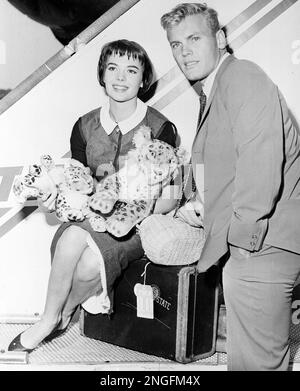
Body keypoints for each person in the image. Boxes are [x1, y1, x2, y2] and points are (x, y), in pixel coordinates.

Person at [8, 39, 178, 353]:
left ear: (143, 79)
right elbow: (77, 181)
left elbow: (172, 194)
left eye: (131, 70)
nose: (121, 78)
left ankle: (62, 313)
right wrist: (56, 193)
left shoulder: (161, 127)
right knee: (73, 235)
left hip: (134, 224)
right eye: (113, 68)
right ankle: (49, 318)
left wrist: (140, 204)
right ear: (102, 74)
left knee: (88, 264)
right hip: (88, 215)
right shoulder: (84, 125)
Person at [161, 3, 300, 371]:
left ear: (220, 38)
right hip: (254, 247)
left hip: (262, 247)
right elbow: (221, 170)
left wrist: (242, 243)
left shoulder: (243, 78)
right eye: (175, 44)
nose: (184, 51)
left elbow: (261, 168)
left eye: (193, 38)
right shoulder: (215, 89)